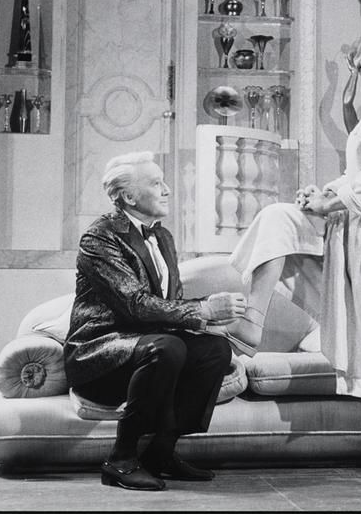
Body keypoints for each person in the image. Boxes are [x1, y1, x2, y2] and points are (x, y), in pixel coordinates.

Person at [219, 32, 361, 480]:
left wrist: (332, 202)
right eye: (359, 67)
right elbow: (356, 173)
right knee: (280, 217)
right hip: (356, 215)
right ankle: (251, 323)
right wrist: (322, 193)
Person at [64, 151, 247, 491]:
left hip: (151, 351)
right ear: (129, 197)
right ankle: (120, 460)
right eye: (156, 183)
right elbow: (134, 304)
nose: (167, 190)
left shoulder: (163, 237)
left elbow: (168, 303)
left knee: (215, 350)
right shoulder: (99, 237)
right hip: (101, 358)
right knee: (167, 348)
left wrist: (207, 319)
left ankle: (161, 452)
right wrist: (203, 310)